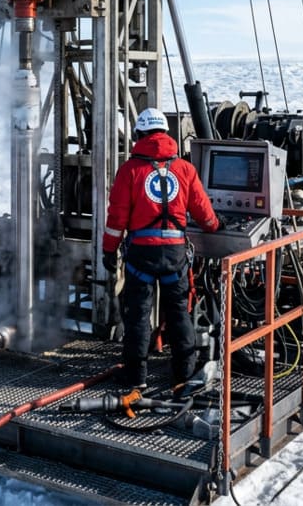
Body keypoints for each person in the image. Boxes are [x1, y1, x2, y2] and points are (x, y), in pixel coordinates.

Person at [102, 108, 221, 392]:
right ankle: (183, 375)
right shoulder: (184, 169)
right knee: (180, 314)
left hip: (141, 257)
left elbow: (117, 217)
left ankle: (136, 378)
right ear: (166, 133)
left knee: (139, 316)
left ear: (139, 135)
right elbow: (203, 213)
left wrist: (109, 250)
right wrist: (216, 225)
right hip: (175, 256)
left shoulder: (130, 170)